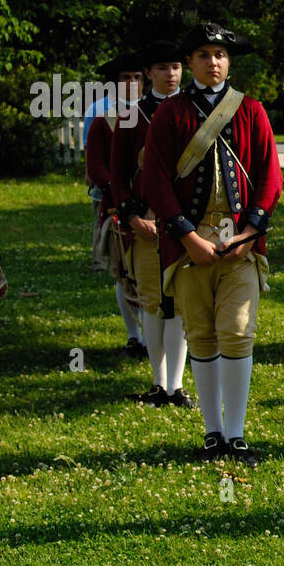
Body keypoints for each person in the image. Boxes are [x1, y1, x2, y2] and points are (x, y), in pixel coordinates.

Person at [142, 22, 282, 463]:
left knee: (238, 333)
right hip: (190, 247)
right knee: (201, 336)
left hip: (240, 244)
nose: (213, 62)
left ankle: (236, 433)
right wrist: (185, 236)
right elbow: (156, 180)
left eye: (220, 55)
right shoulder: (170, 114)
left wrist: (251, 231)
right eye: (203, 55)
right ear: (190, 63)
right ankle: (212, 432)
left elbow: (269, 175)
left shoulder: (251, 110)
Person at [110, 40, 193, 407]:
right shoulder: (131, 115)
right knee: (152, 302)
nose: (170, 73)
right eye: (162, 67)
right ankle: (159, 383)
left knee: (179, 301)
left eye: (176, 66)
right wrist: (131, 215)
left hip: (186, 224)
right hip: (145, 222)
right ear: (148, 73)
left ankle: (176, 385)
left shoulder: (195, 111)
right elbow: (117, 174)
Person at [87, 52, 147, 355]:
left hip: (152, 205)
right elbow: (96, 164)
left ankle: (153, 335)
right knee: (123, 271)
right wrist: (118, 191)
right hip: (116, 206)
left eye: (137, 76)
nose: (133, 82)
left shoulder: (156, 114)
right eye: (126, 77)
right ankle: (134, 335)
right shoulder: (103, 119)